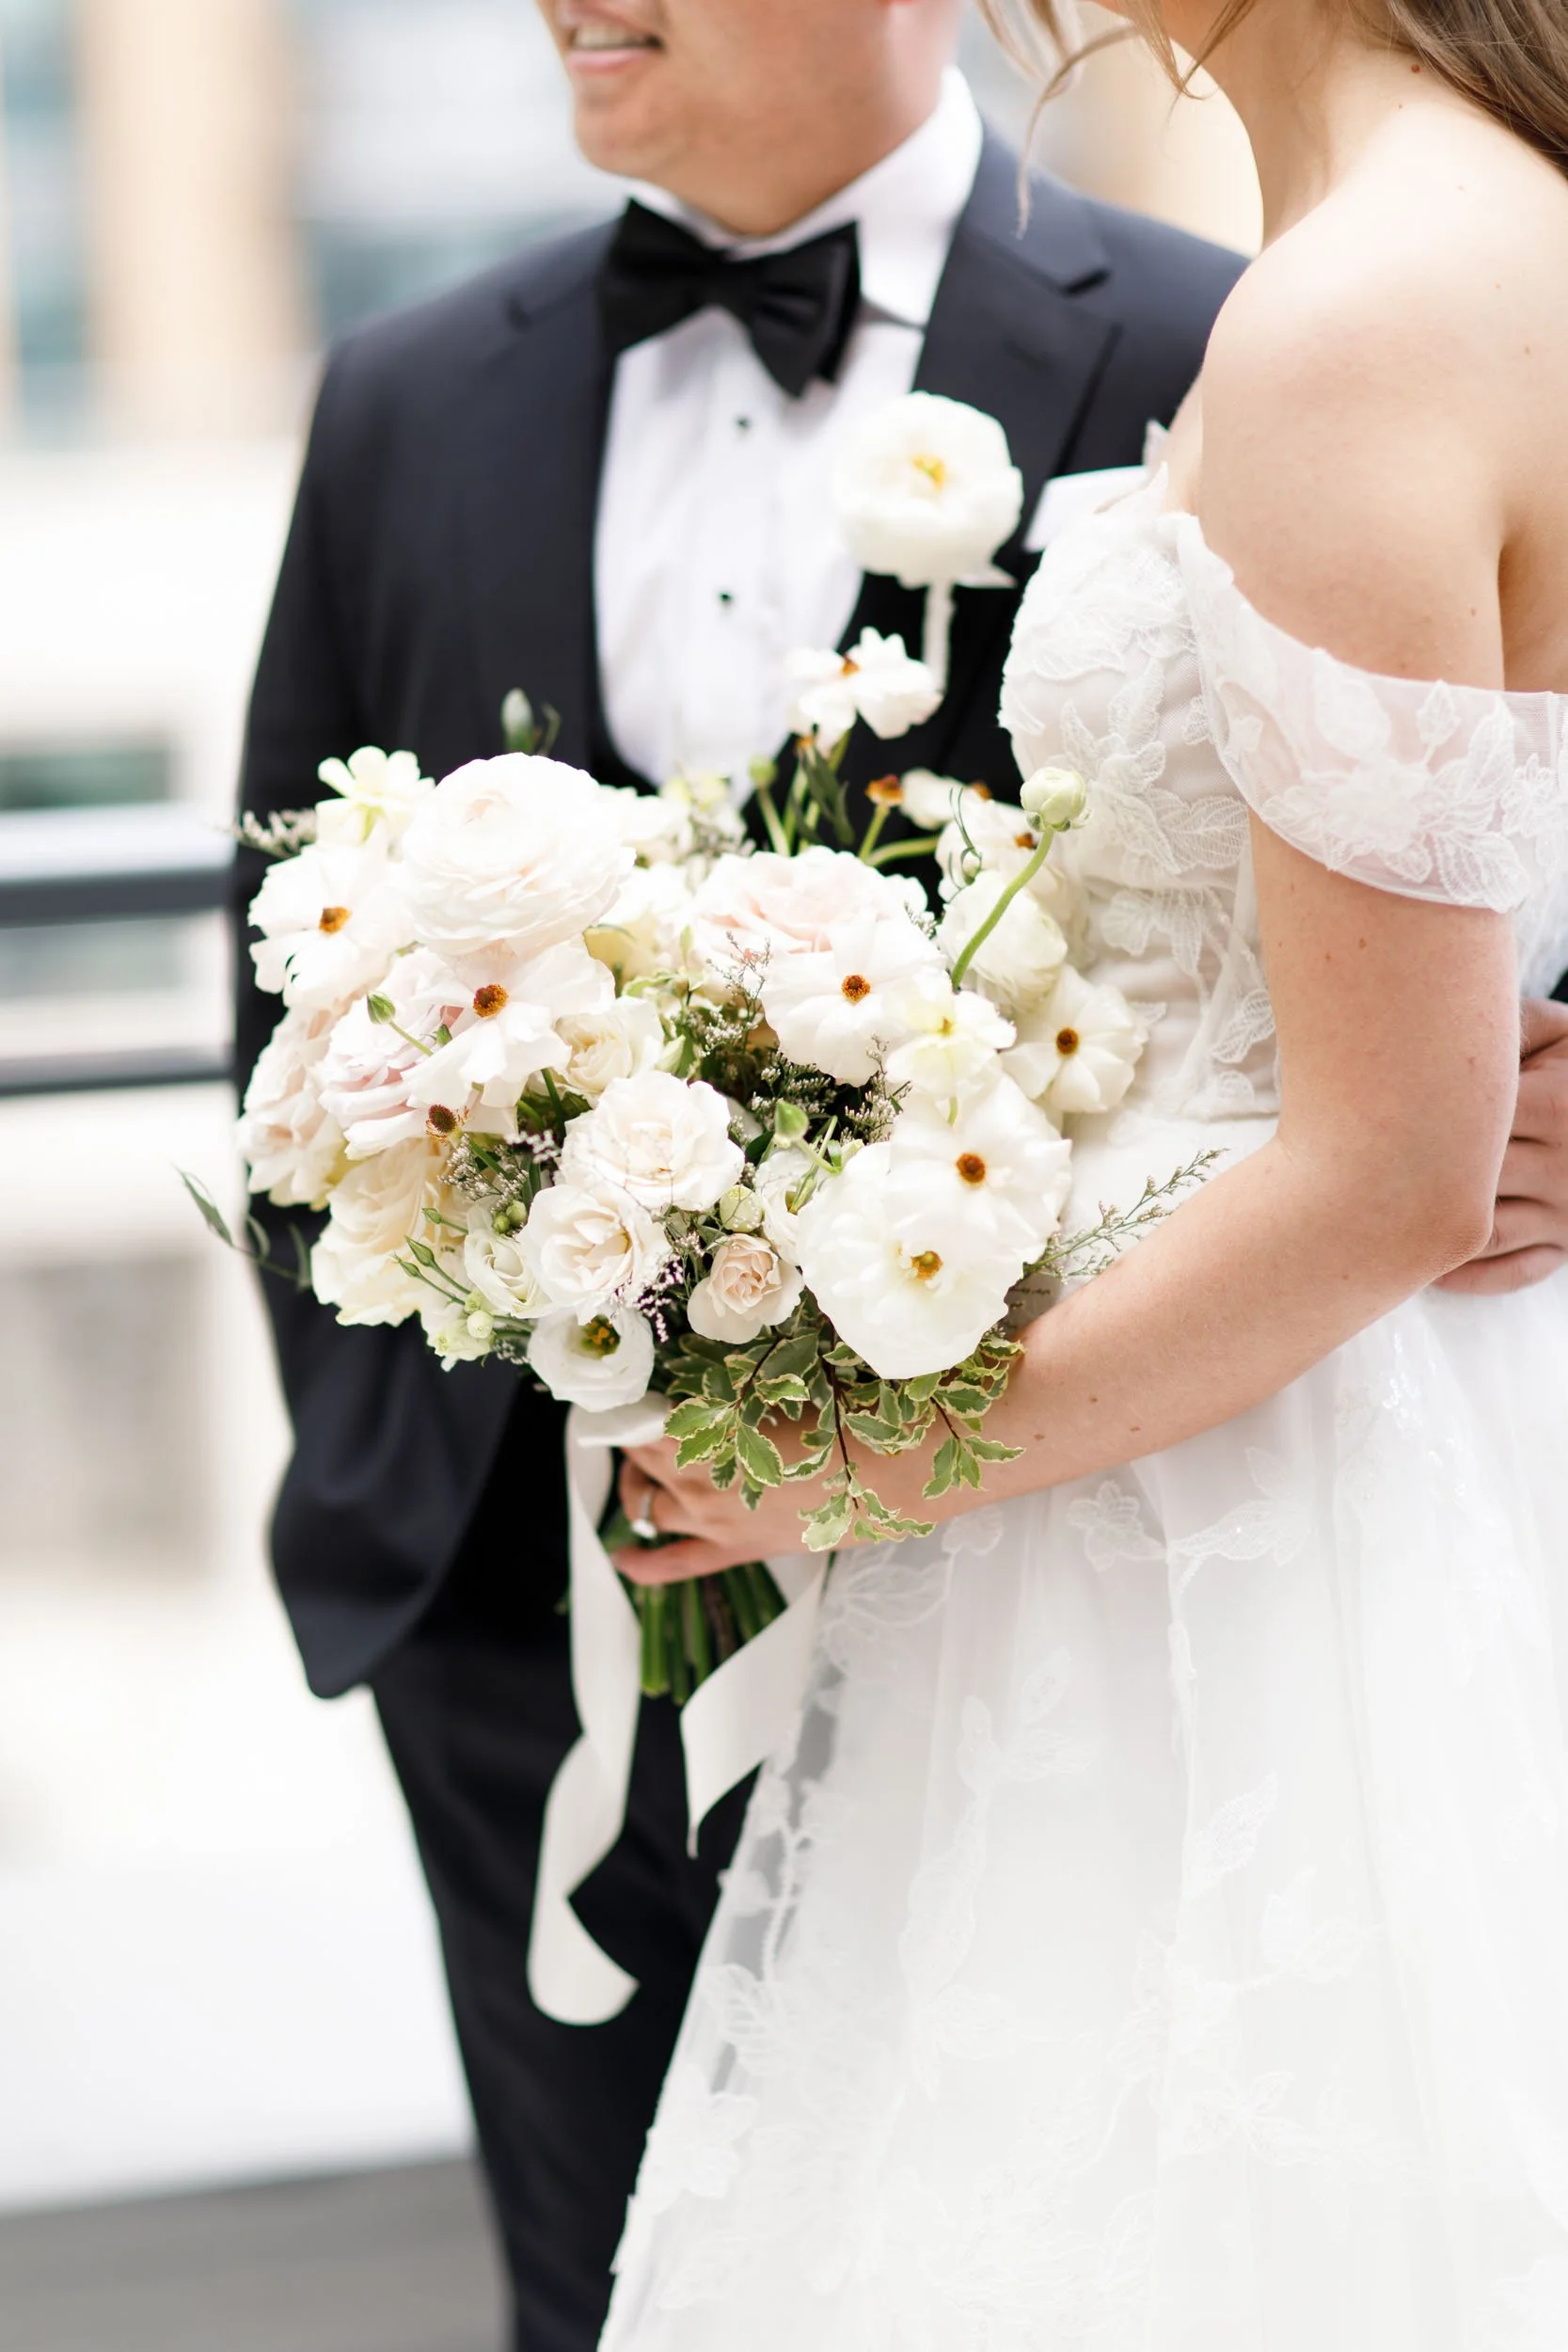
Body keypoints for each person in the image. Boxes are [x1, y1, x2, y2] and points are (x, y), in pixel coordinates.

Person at [233, 6, 1256, 2345]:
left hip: (1026, 1569)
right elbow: (275, 981)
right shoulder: (403, 396)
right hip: (504, 1590)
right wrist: (387, 1425)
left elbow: (1445, 807)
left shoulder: (1210, 347)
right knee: (591, 2294)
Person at [601, 0, 1568, 2343]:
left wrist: (842, 1454)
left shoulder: (1357, 312)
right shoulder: (1461, 238)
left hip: (1261, 1484)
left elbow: (1375, 1179)